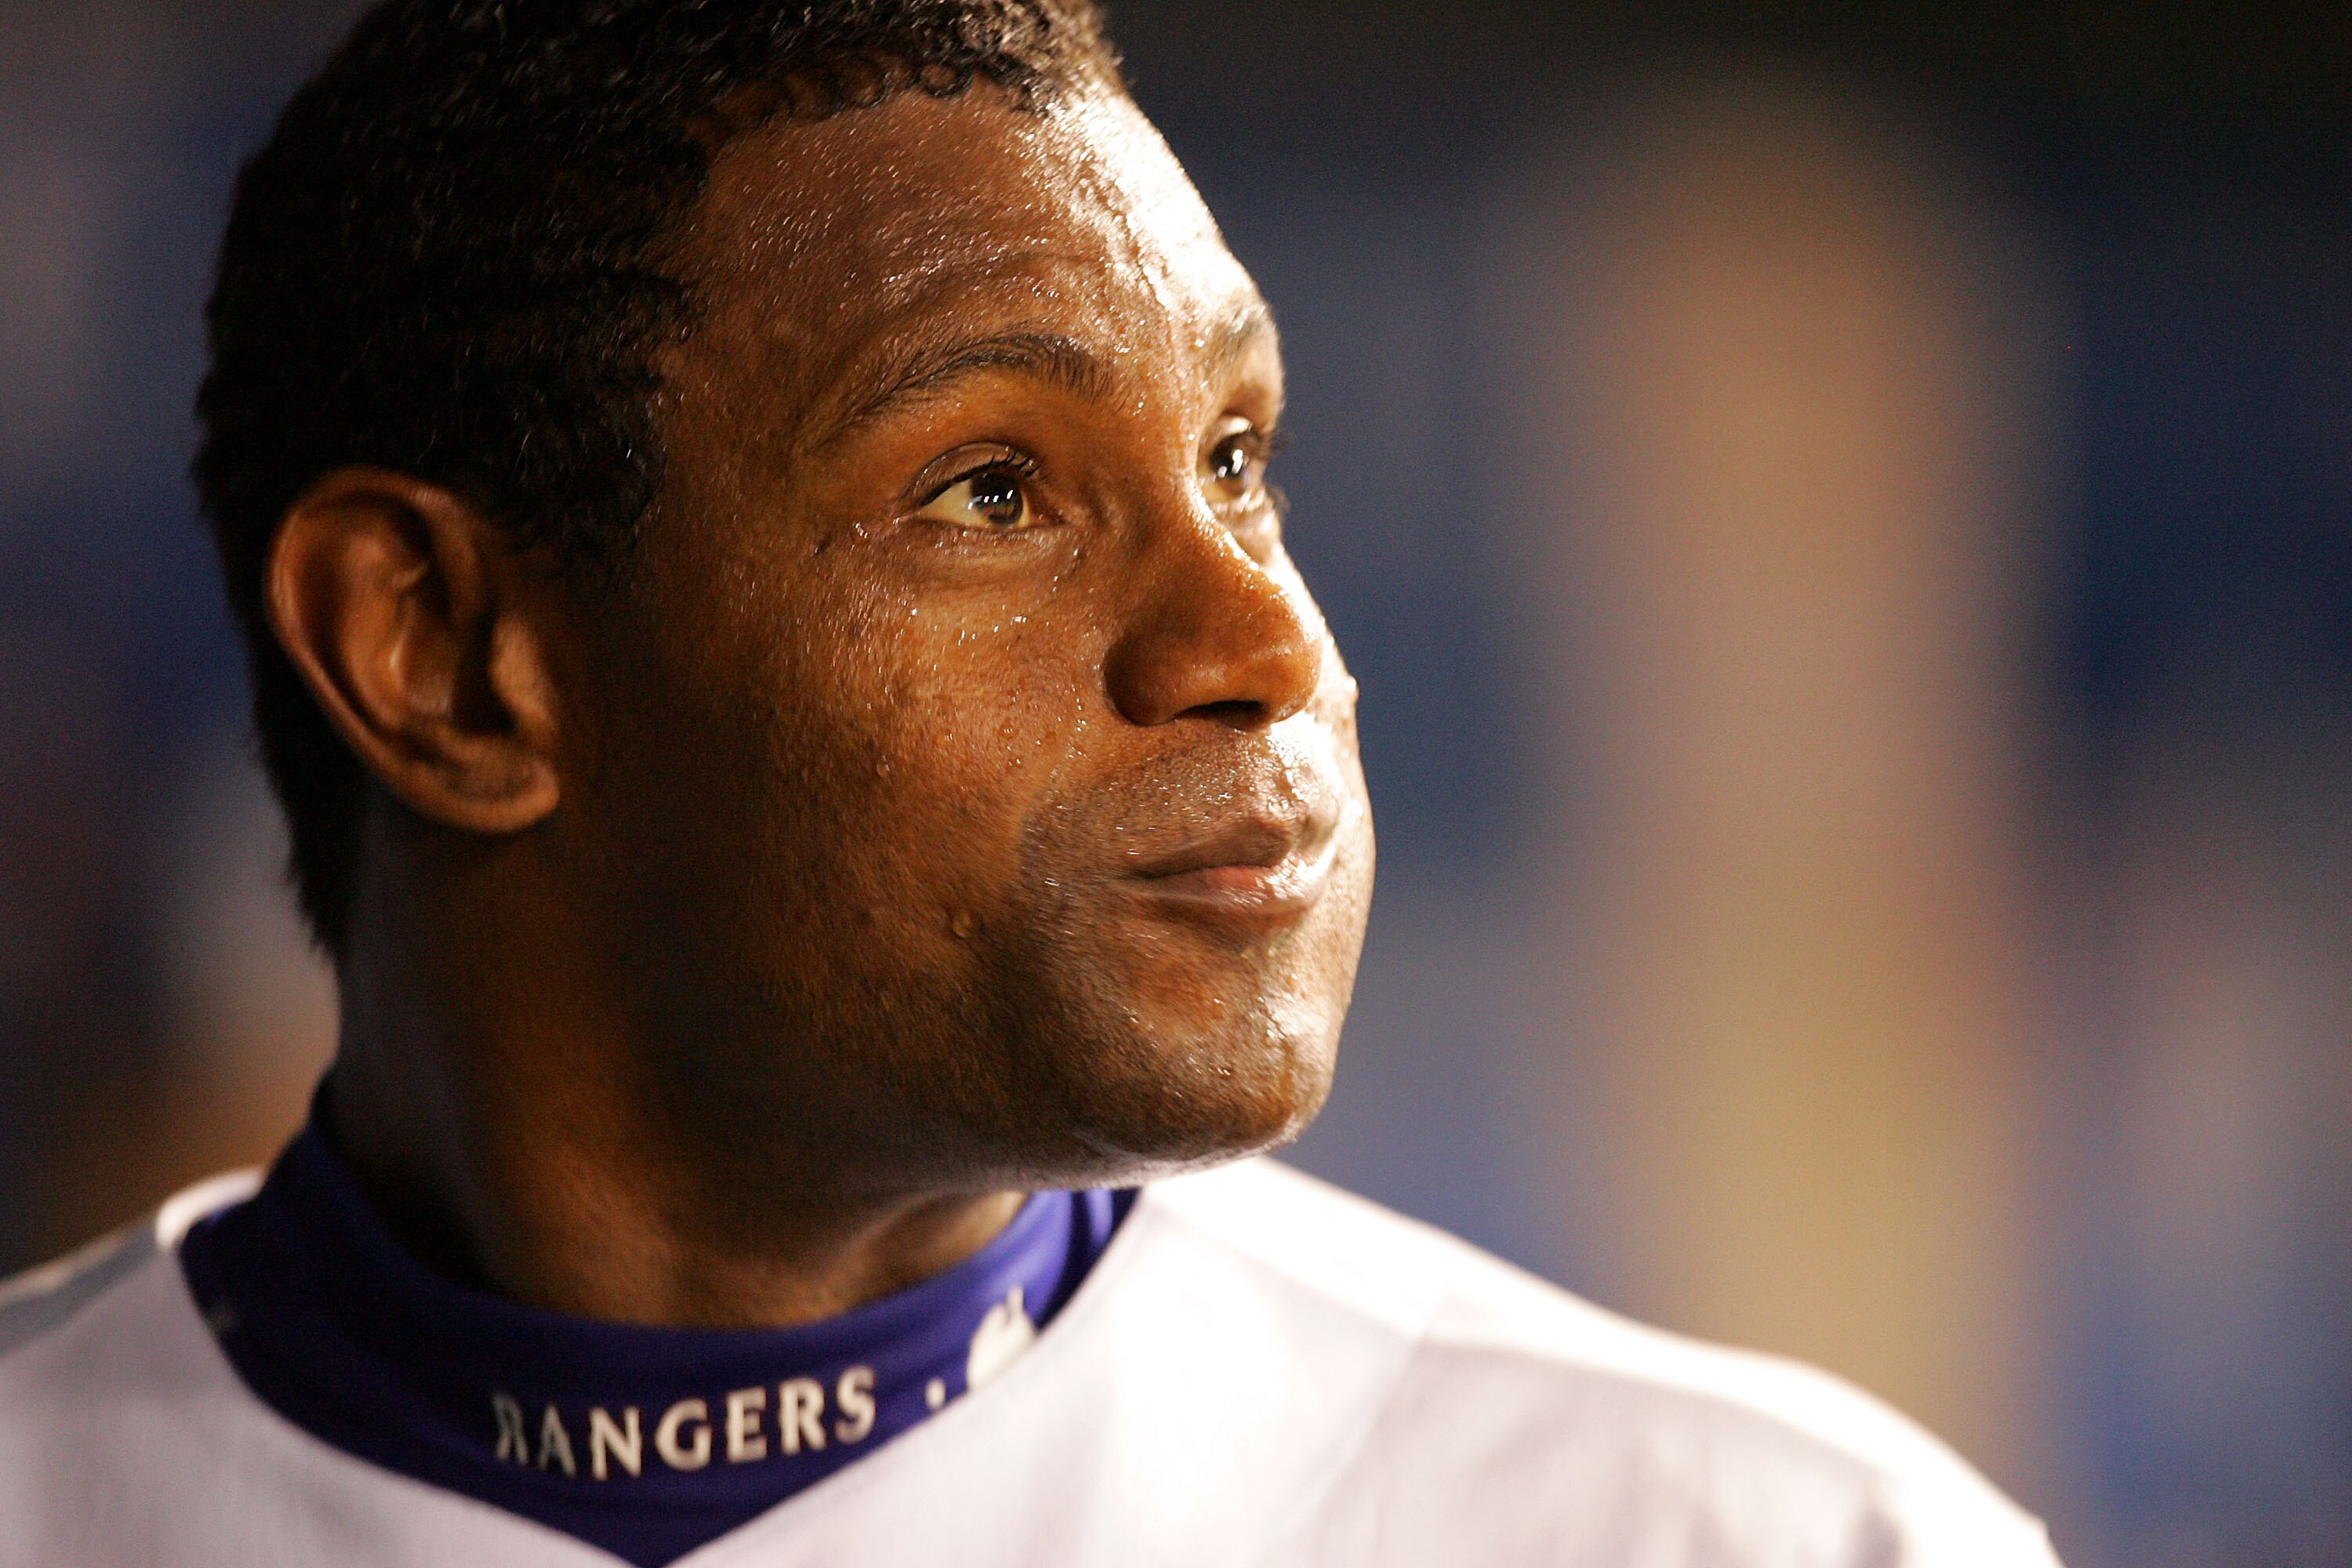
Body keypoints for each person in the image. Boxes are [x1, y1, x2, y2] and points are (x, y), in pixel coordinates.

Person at [0, 2, 2060, 1563]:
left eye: (1239, 462)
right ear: (441, 655)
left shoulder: (1752, 1541)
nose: (1262, 650)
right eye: (992, 491)